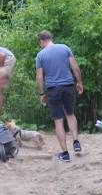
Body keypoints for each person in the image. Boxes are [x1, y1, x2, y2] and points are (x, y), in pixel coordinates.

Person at [34, 30, 84, 162]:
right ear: (51, 38)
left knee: (58, 120)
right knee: (70, 114)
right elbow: (75, 67)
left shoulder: (40, 55)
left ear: (41, 41)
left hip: (53, 89)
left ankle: (65, 153)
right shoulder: (65, 48)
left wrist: (41, 93)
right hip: (68, 86)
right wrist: (79, 82)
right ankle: (76, 142)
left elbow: (39, 77)